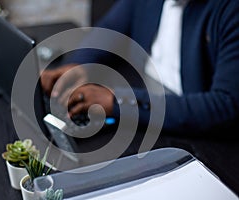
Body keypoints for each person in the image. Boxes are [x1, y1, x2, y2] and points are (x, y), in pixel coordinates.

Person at [41, 0, 239, 193]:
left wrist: (117, 101)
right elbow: (109, 29)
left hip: (203, 139)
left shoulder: (230, 9)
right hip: (148, 110)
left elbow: (225, 105)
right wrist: (79, 65)